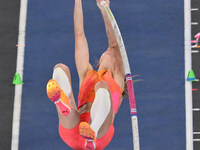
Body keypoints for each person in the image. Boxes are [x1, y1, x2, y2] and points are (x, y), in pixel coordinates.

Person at [46, 0, 126, 149]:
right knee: (60, 68)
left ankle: (93, 131)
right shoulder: (87, 73)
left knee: (102, 86)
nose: (108, 50)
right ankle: (61, 102)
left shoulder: (118, 79)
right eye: (106, 51)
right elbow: (79, 34)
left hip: (100, 134)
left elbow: (114, 45)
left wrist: (104, 10)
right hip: (75, 127)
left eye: (109, 51)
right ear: (98, 63)